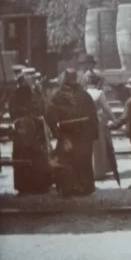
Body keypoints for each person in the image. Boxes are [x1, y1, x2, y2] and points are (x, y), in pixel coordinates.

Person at [46, 68, 100, 197]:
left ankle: (69, 188)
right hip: (83, 132)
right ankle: (85, 187)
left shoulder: (57, 95)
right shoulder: (84, 94)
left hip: (67, 133)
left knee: (68, 159)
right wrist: (94, 134)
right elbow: (93, 116)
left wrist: (57, 133)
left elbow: (50, 117)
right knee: (83, 159)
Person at [8, 72, 54, 195]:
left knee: (23, 154)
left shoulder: (14, 94)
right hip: (33, 126)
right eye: (29, 78)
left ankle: (23, 185)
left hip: (21, 127)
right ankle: (39, 184)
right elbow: (41, 107)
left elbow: (11, 110)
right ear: (24, 81)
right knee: (36, 153)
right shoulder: (31, 92)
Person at [85, 73, 117, 180]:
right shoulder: (99, 93)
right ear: (97, 82)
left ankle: (91, 170)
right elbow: (106, 108)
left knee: (90, 146)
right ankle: (99, 171)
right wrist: (114, 120)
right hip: (98, 120)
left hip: (86, 120)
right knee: (100, 145)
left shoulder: (84, 92)